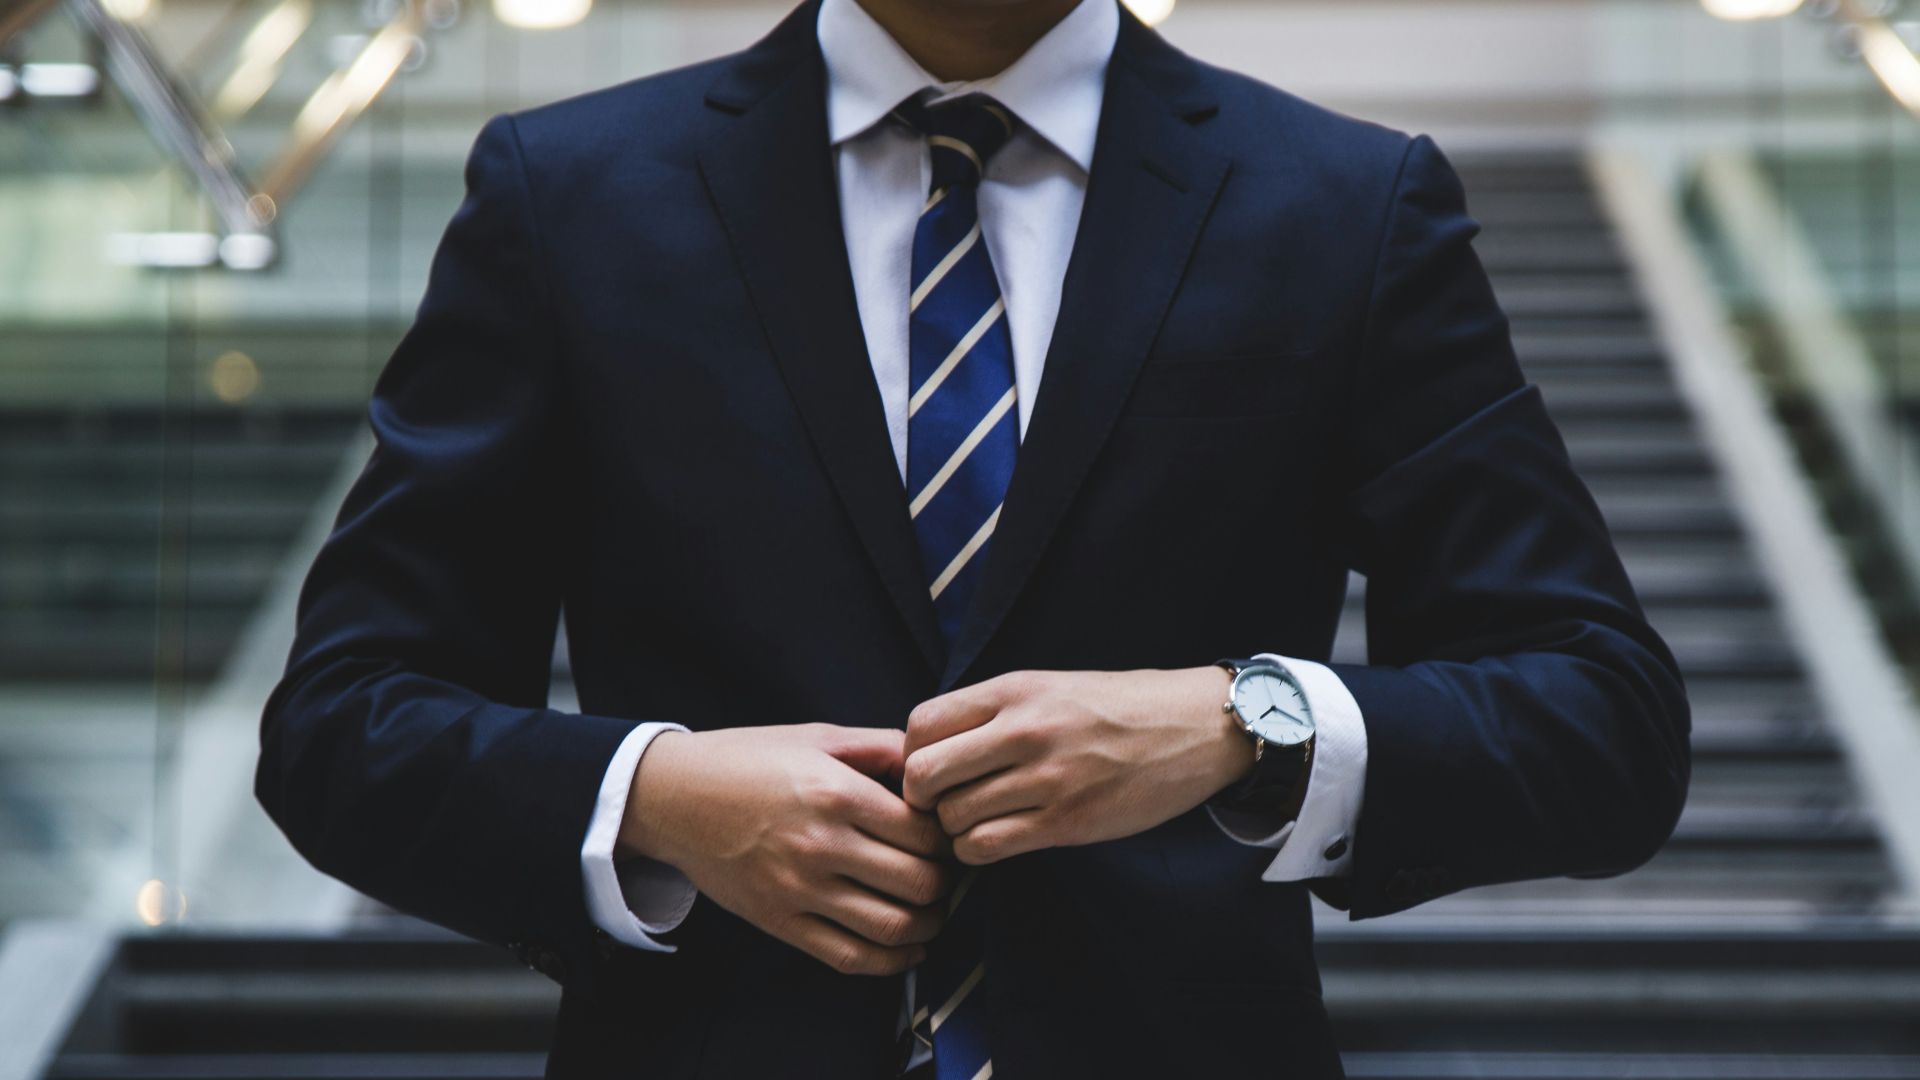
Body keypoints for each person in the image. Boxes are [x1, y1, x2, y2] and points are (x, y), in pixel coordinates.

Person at [255, 0, 1692, 1076]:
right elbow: (340, 723)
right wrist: (657, 795)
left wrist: (1247, 721)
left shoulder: (1346, 206)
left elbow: (1602, 718)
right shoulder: (567, 196)